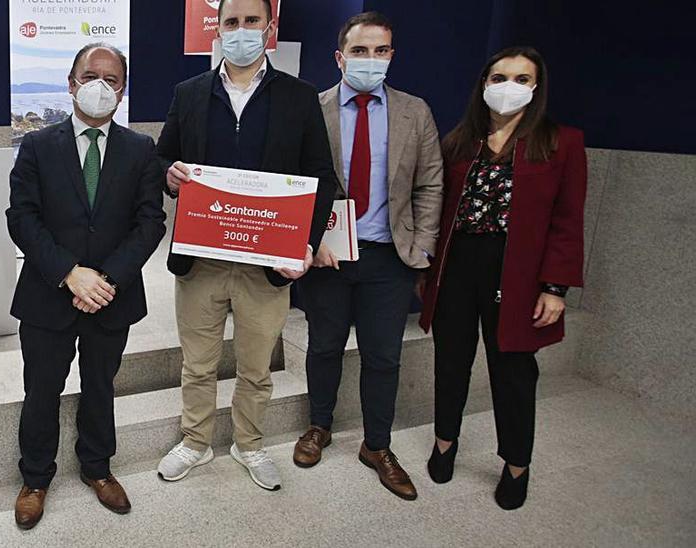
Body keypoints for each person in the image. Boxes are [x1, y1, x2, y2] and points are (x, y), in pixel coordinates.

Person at [155, 0, 338, 491]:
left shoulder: (300, 98)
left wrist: (306, 243)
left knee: (256, 368)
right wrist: (169, 177)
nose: (241, 31)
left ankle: (249, 444)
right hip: (203, 259)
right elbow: (163, 159)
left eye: (251, 21)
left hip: (267, 265)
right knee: (198, 363)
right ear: (219, 28)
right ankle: (195, 441)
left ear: (269, 27)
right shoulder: (189, 93)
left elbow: (321, 176)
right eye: (231, 22)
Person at [7, 43, 167, 530]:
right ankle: (35, 477)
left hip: (112, 298)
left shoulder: (141, 150)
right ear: (72, 82)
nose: (100, 85)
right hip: (47, 292)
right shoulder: (36, 146)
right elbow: (22, 218)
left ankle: (98, 468)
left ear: (122, 90)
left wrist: (107, 279)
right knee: (42, 388)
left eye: (111, 79)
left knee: (100, 384)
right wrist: (69, 272)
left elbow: (151, 223)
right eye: (89, 75)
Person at [420, 46, 586, 510]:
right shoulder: (459, 142)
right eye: (498, 77)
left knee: (513, 371)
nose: (507, 87)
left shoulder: (560, 143)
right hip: (457, 265)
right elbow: (438, 208)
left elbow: (568, 220)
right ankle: (444, 443)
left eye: (520, 78)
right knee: (451, 361)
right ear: (484, 85)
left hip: (518, 273)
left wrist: (555, 287)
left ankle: (516, 465)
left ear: (536, 88)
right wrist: (427, 269)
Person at [291, 11, 443, 501]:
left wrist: (420, 250)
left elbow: (430, 183)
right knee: (324, 346)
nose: (370, 60)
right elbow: (299, 185)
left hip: (388, 257)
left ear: (392, 56)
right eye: (360, 51)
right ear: (340, 57)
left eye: (381, 51)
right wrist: (308, 243)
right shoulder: (313, 110)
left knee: (384, 356)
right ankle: (319, 426)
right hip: (328, 257)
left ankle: (378, 446)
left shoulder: (413, 111)